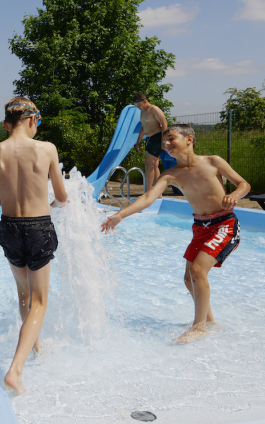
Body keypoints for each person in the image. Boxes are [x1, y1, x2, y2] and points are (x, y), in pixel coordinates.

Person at [101, 124, 250, 344]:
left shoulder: (213, 162)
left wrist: (236, 194)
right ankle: (208, 321)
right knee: (189, 279)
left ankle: (199, 327)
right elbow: (148, 197)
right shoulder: (171, 174)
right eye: (164, 142)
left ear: (189, 139)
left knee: (198, 271)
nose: (166, 144)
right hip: (200, 227)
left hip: (224, 224)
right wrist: (121, 215)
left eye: (171, 139)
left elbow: (243, 183)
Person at [0, 97, 68, 395]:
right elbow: (61, 196)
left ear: (9, 122)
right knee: (40, 301)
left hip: (8, 226)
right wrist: (53, 204)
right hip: (38, 228)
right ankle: (15, 370)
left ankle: (35, 346)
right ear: (33, 119)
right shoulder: (46, 149)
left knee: (24, 293)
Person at [133, 92, 169, 196]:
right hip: (149, 139)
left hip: (157, 138)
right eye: (137, 106)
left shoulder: (154, 109)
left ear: (145, 101)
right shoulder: (143, 111)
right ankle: (158, 194)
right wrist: (138, 140)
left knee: (148, 164)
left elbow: (164, 123)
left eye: (140, 105)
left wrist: (164, 140)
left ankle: (148, 193)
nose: (139, 107)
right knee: (154, 165)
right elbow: (144, 126)